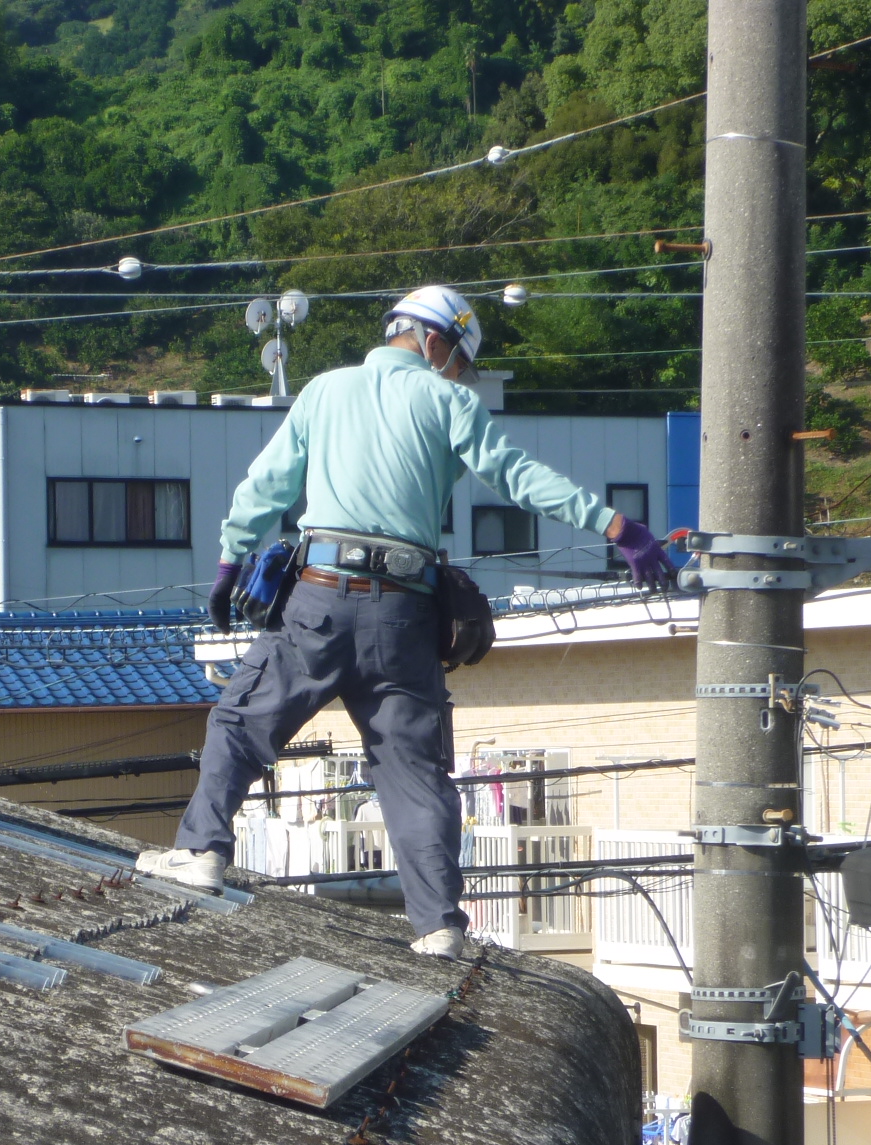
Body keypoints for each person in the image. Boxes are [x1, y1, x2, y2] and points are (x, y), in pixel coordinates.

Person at [136, 285, 677, 959]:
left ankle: (201, 853)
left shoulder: (324, 392)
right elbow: (517, 477)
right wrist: (617, 526)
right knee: (413, 772)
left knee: (241, 723)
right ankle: (439, 926)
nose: (454, 370)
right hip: (405, 613)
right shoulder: (451, 403)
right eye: (455, 357)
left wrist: (228, 560)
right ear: (432, 340)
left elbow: (265, 485)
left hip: (320, 598)